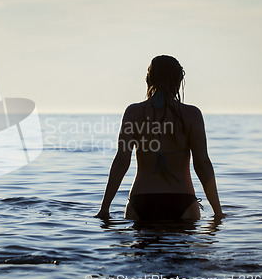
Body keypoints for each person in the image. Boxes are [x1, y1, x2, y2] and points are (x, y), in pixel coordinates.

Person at [95, 55, 223, 221]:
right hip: (182, 201)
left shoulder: (133, 113)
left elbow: (121, 160)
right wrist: (217, 212)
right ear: (179, 81)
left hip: (141, 201)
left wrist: (104, 208)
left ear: (149, 79)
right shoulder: (192, 115)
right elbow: (202, 163)